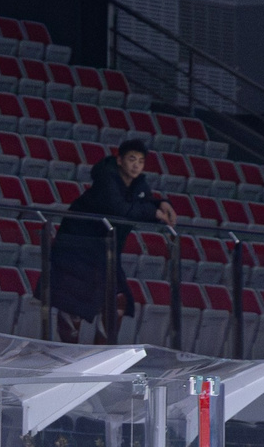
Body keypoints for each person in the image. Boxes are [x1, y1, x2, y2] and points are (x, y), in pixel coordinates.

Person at [51, 139, 174, 341]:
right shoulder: (105, 179)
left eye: (141, 161)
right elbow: (120, 209)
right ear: (120, 160)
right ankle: (69, 352)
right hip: (78, 247)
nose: (136, 165)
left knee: (118, 300)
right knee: (72, 304)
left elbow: (143, 202)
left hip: (105, 251)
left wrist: (162, 202)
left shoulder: (138, 184)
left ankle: (101, 352)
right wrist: (154, 213)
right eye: (132, 159)